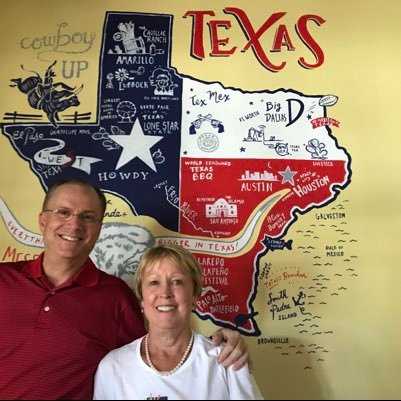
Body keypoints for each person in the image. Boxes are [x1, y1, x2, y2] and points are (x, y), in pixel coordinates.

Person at [0, 177, 249, 400]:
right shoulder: (3, 278)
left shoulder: (115, 297)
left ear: (99, 229)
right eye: (63, 212)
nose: (74, 225)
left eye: (87, 216)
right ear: (43, 220)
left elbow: (150, 360)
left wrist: (227, 344)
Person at [93, 244, 263, 400]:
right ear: (141, 299)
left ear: (195, 295)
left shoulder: (227, 359)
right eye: (154, 282)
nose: (165, 292)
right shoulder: (112, 367)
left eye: (177, 282)